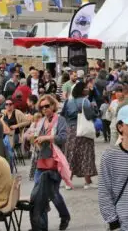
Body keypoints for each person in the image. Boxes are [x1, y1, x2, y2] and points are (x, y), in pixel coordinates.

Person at [34, 94, 70, 230]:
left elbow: (62, 138)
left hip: (55, 161)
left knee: (53, 193)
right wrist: (33, 138)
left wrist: (46, 138)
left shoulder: (60, 120)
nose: (44, 109)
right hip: (41, 160)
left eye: (47, 106)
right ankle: (40, 226)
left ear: (53, 106)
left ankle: (64, 216)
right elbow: (36, 136)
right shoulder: (41, 121)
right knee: (37, 194)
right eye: (42, 107)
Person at [62, 81, 98, 189]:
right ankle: (88, 181)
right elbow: (89, 115)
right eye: (86, 88)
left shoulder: (68, 102)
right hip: (83, 130)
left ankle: (68, 181)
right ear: (82, 90)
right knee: (86, 154)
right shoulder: (85, 101)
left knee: (71, 155)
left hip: (71, 131)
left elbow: (63, 114)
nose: (88, 89)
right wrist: (95, 111)